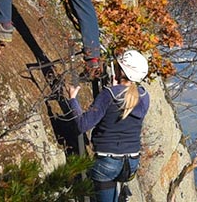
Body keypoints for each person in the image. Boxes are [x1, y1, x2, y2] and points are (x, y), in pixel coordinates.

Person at [64, 50, 155, 202]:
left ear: (120, 71)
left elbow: (82, 124)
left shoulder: (109, 95)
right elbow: (125, 105)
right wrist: (116, 88)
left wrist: (73, 99)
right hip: (131, 162)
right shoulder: (144, 97)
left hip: (107, 162)